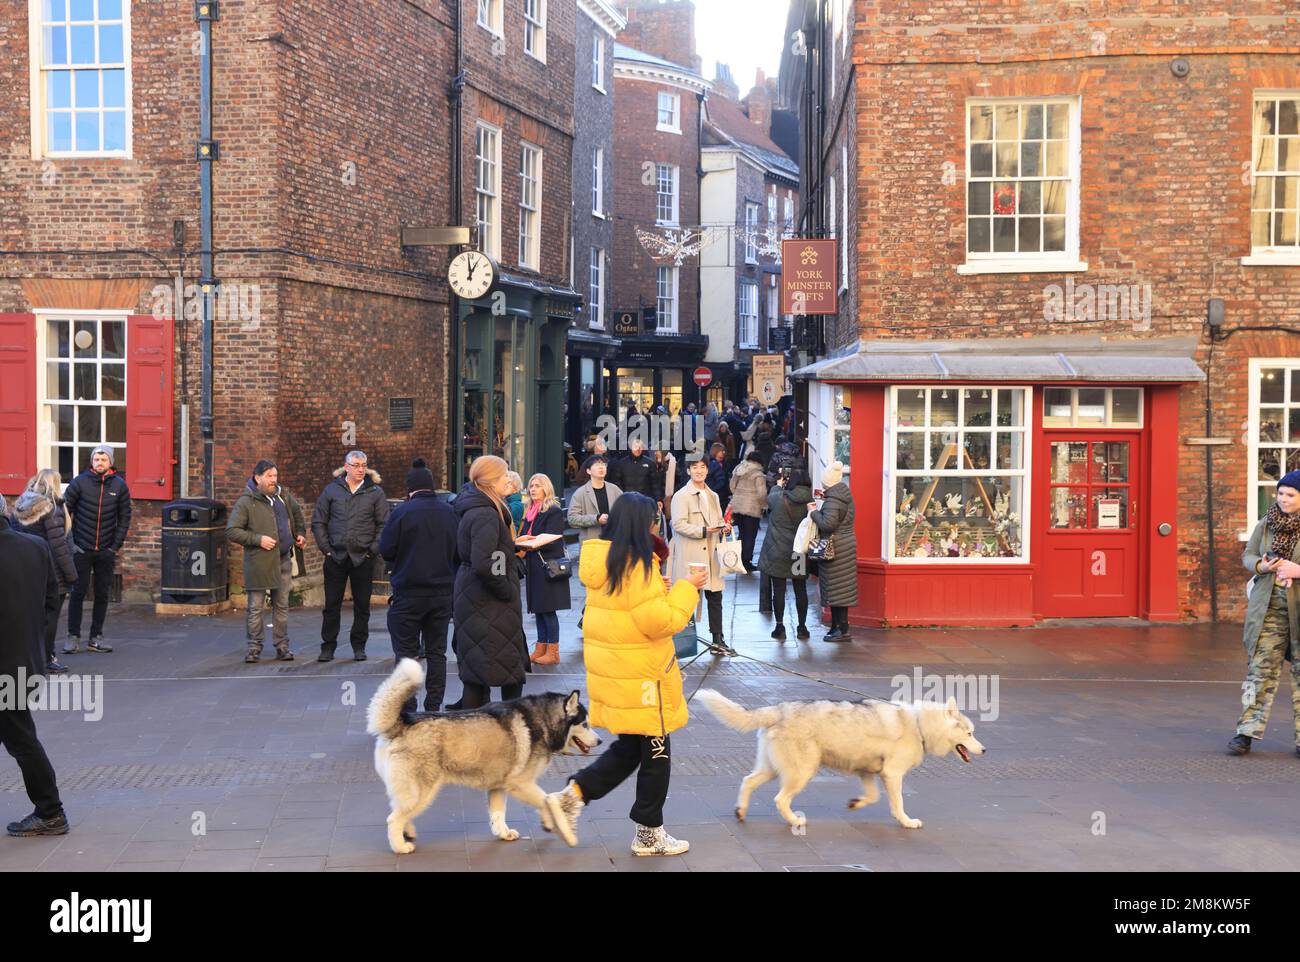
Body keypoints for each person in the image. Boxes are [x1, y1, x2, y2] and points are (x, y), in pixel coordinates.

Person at [542, 493, 707, 855]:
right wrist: (686, 589)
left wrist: (657, 591)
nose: (656, 526)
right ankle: (649, 833)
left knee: (631, 748)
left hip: (616, 673)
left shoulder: (608, 560)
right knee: (657, 753)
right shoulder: (639, 566)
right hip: (644, 676)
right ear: (641, 523)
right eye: (653, 520)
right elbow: (661, 623)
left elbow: (629, 608)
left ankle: (573, 796)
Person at [0, 493, 69, 839]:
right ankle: (50, 810)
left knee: (21, 739)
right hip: (23, 662)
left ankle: (51, 811)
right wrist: (36, 646)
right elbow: (51, 602)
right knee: (21, 737)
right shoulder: (35, 547)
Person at [1230, 469, 1300, 757]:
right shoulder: (1266, 523)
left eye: (1291, 495)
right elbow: (1248, 554)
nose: (1283, 499)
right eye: (1280, 493)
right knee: (1257, 672)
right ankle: (1244, 732)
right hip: (1269, 610)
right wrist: (1262, 566)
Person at [379, 458, 458, 713]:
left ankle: (409, 705)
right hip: (442, 593)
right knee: (437, 653)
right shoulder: (449, 512)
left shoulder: (401, 512)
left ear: (410, 487)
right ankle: (433, 706)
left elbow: (386, 549)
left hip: (409, 593)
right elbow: (459, 552)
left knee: (406, 653)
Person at [453, 455, 530, 709]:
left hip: (476, 600)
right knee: (503, 671)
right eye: (505, 474)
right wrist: (506, 589)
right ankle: (513, 734)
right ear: (491, 481)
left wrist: (510, 548)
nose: (509, 478)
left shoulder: (479, 507)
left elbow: (488, 553)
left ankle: (474, 736)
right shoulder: (486, 513)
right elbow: (485, 562)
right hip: (489, 604)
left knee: (478, 674)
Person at [311, 450, 391, 662]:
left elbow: (384, 524)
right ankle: (328, 646)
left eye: (363, 465)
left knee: (362, 605)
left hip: (362, 558)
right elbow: (319, 521)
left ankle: (359, 646)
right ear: (346, 467)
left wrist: (372, 550)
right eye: (356, 465)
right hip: (335, 556)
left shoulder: (375, 493)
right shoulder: (331, 491)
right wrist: (326, 548)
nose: (360, 469)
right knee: (331, 605)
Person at [227, 459, 307, 662]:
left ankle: (282, 647)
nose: (274, 480)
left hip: (283, 560)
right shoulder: (246, 501)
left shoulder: (283, 496)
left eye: (275, 476)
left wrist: (299, 533)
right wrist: (257, 539)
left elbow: (297, 513)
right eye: (270, 476)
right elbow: (232, 531)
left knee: (282, 606)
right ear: (258, 478)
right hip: (258, 563)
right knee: (256, 607)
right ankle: (254, 647)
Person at [64, 445, 131, 654]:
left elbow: (125, 518)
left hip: (106, 550)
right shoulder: (79, 483)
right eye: (96, 460)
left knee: (102, 594)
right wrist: (71, 543)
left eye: (103, 460)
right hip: (81, 549)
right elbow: (64, 512)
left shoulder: (120, 486)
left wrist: (114, 546)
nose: (99, 463)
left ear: (110, 462)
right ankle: (73, 637)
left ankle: (96, 637)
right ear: (92, 462)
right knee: (78, 592)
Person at [13, 470, 76, 673]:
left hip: (27, 569)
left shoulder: (23, 503)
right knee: (50, 618)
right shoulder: (52, 508)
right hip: (52, 572)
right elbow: (59, 546)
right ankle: (47, 657)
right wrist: (72, 574)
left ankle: (31, 656)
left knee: (31, 618)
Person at [670, 457, 733, 655]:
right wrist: (705, 530)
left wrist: (724, 528)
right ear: (688, 471)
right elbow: (678, 524)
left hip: (712, 553)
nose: (699, 471)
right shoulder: (681, 496)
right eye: (694, 467)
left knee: (715, 596)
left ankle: (718, 639)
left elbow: (718, 521)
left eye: (703, 467)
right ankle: (679, 640)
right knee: (687, 598)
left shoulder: (713, 495)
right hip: (692, 554)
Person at [519, 473, 571, 667]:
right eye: (531, 485)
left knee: (548, 610)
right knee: (538, 609)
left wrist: (529, 541)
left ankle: (553, 651)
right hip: (534, 565)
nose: (532, 489)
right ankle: (540, 648)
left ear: (546, 488)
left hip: (548, 565)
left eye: (537, 485)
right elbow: (525, 535)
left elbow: (553, 536)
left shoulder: (553, 510)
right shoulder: (531, 511)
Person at [761, 468, 814, 640]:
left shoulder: (778, 497)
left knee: (779, 590)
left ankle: (780, 627)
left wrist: (778, 484)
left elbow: (770, 498)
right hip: (799, 551)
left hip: (778, 550)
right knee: (800, 589)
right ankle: (802, 627)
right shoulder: (809, 500)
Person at [809, 461, 858, 642]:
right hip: (845, 545)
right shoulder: (843, 496)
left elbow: (828, 524)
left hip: (835, 548)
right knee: (840, 590)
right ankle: (838, 626)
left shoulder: (833, 502)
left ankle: (841, 629)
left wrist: (813, 512)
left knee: (837, 589)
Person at [729, 452, 769, 573]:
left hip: (737, 507)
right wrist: (764, 505)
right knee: (750, 536)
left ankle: (740, 560)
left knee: (742, 534)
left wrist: (739, 495)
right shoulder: (759, 474)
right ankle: (747, 562)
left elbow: (732, 486)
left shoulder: (739, 469)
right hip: (751, 508)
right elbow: (762, 494)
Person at [568, 455, 622, 542]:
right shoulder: (580, 493)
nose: (601, 467)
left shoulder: (614, 489)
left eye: (604, 464)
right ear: (588, 471)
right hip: (592, 543)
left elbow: (625, 509)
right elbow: (572, 519)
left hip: (613, 540)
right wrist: (596, 519)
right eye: (597, 465)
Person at [609, 437, 664, 508]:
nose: (638, 449)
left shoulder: (650, 463)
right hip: (627, 502)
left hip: (645, 502)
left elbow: (655, 484)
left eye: (640, 447)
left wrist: (658, 499)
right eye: (635, 446)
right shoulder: (621, 463)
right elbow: (617, 484)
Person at [707, 442, 730, 513]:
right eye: (721, 451)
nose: (723, 453)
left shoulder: (725, 465)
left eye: (724, 451)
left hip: (723, 497)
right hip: (713, 495)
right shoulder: (710, 464)